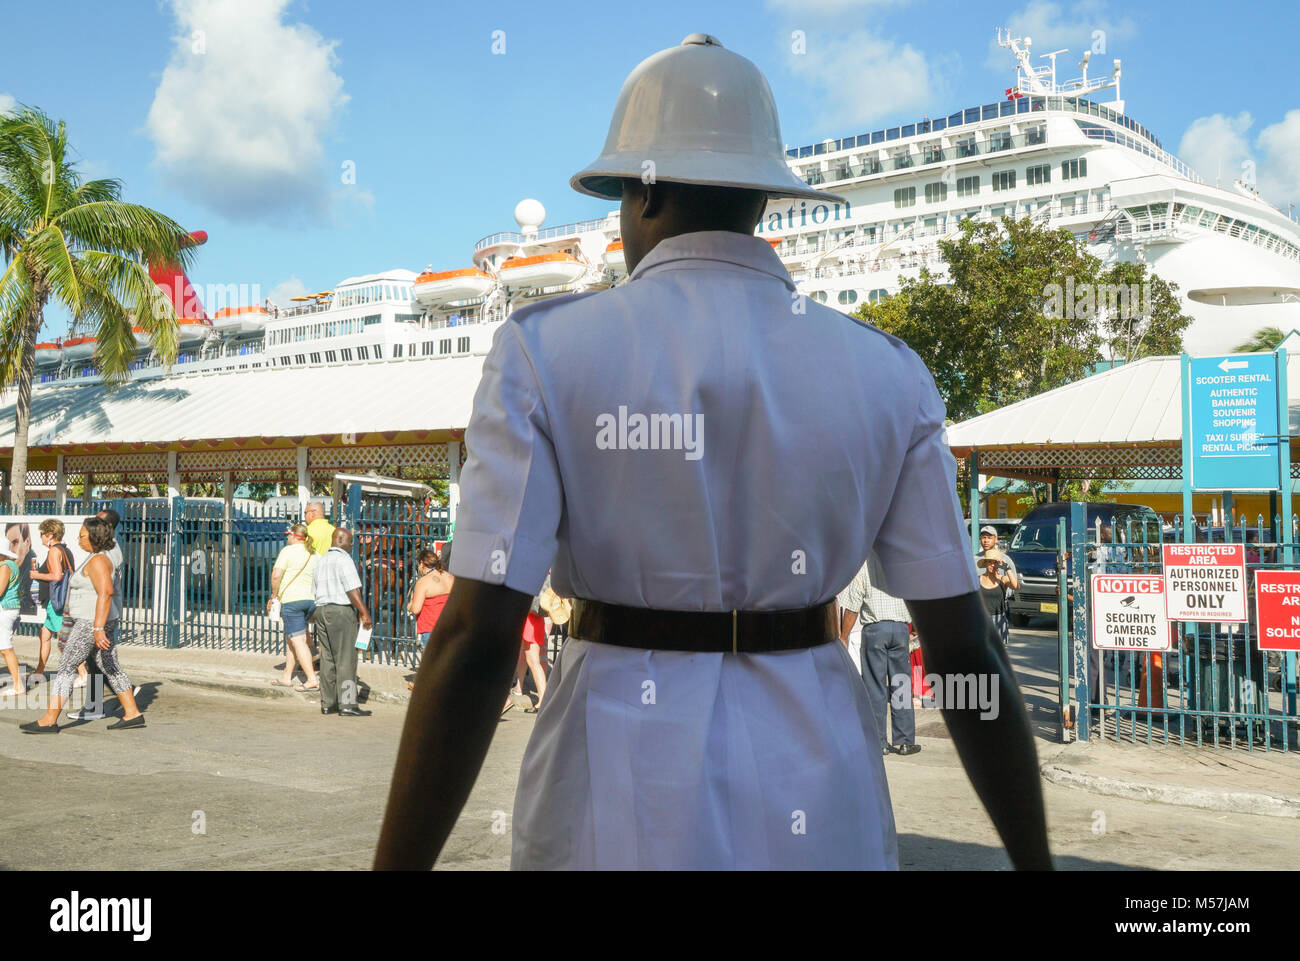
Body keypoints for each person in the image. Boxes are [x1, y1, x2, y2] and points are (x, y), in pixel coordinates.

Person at [375, 35, 1050, 871]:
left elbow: (479, 635)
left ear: (641, 197)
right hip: (821, 792)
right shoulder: (888, 374)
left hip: (608, 794)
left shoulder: (546, 353)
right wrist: (1035, 861)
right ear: (760, 199)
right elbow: (962, 650)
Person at [20, 517, 145, 732]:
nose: (78, 539)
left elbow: (106, 593)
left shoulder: (98, 561)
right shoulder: (97, 557)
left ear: (95, 536)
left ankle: (49, 720)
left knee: (66, 667)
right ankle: (132, 713)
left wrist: (97, 628)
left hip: (90, 622)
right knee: (109, 666)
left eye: (82, 535)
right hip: (95, 621)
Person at [840, 560, 920, 756]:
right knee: (901, 684)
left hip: (875, 630)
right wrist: (916, 630)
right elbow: (916, 600)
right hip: (901, 629)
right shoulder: (902, 564)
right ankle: (904, 742)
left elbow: (852, 606)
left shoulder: (864, 566)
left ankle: (879, 742)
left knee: (874, 686)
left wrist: (843, 636)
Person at [311, 528, 373, 717]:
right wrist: (364, 613)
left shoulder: (321, 561)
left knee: (327, 658)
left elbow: (314, 589)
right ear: (342, 540)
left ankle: (328, 703)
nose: (353, 544)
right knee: (346, 658)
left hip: (321, 611)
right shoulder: (344, 560)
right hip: (340, 610)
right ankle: (347, 704)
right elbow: (352, 589)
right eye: (351, 541)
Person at [269, 522, 319, 691]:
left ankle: (312, 679)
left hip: (292, 602)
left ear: (294, 536)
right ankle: (286, 676)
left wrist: (274, 594)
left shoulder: (287, 551)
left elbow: (276, 575)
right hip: (310, 601)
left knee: (298, 641)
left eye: (288, 535)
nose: (286, 538)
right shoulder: (314, 553)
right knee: (292, 638)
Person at [27, 519, 75, 686]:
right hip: (57, 602)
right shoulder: (65, 550)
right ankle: (39, 672)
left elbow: (57, 576)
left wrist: (36, 575)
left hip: (55, 603)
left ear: (50, 535)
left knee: (66, 640)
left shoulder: (54, 551)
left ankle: (83, 672)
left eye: (42, 533)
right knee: (45, 634)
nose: (40, 537)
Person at [407, 549, 454, 691]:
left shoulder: (423, 582)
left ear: (422, 563)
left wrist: (409, 605)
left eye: (418, 565)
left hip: (431, 625)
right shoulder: (450, 577)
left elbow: (416, 609)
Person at [0, 543, 26, 696]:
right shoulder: (10, 564)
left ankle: (18, 685)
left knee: (5, 648)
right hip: (8, 609)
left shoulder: (5, 566)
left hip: (5, 609)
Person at [978, 549, 1016, 647]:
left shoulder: (1003, 579)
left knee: (999, 656)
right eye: (990, 562)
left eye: (995, 563)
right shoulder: (977, 579)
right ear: (985, 563)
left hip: (999, 620)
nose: (992, 565)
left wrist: (1008, 569)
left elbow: (1015, 586)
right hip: (982, 620)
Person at [4, 521, 36, 616]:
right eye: (8, 544)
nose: (11, 550)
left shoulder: (31, 570)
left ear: (27, 542)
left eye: (15, 542)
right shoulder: (14, 567)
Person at [975, 525, 1019, 590]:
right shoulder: (974, 559)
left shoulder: (1005, 559)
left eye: (990, 538)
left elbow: (1014, 584)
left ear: (996, 540)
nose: (986, 540)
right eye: (984, 537)